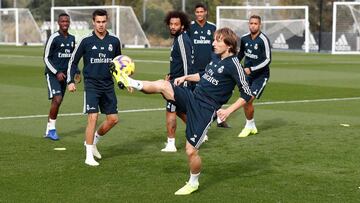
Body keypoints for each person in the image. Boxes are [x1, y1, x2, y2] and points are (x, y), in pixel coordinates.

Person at [113, 27, 252, 195]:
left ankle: (193, 183)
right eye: (214, 39)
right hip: (193, 97)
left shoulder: (234, 65)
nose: (213, 42)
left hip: (205, 110)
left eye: (218, 40)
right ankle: (130, 81)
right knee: (164, 85)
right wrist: (186, 77)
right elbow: (205, 76)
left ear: (229, 45)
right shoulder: (215, 58)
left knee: (191, 150)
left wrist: (228, 111)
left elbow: (246, 93)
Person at [67, 9, 122, 166]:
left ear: (107, 21)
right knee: (93, 117)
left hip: (108, 85)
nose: (101, 25)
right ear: (93, 22)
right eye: (98, 22)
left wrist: (124, 81)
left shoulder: (114, 41)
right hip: (91, 85)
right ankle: (88, 155)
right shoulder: (85, 41)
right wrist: (70, 81)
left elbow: (118, 64)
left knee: (113, 119)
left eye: (103, 21)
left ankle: (93, 141)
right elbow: (73, 61)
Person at [188, 2, 230, 128]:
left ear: (206, 12)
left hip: (210, 66)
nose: (199, 14)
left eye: (201, 12)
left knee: (215, 91)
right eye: (197, 12)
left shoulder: (212, 27)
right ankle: (197, 118)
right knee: (195, 93)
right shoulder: (190, 27)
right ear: (195, 13)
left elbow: (217, 44)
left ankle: (220, 119)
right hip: (194, 66)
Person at [161, 11, 194, 152]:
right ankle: (197, 130)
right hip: (175, 80)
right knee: (178, 110)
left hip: (179, 84)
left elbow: (187, 64)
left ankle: (171, 144)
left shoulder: (181, 40)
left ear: (182, 26)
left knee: (170, 111)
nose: (173, 27)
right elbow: (179, 62)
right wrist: (171, 75)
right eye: (171, 24)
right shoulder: (179, 39)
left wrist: (185, 82)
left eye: (176, 24)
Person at [44, 13, 80, 140]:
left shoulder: (72, 38)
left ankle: (48, 129)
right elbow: (46, 58)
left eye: (67, 21)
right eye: (63, 21)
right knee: (57, 99)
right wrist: (56, 72)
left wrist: (77, 71)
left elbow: (72, 59)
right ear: (58, 23)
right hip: (53, 75)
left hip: (65, 76)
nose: (65, 23)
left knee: (57, 102)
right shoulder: (53, 37)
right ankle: (52, 130)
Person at [237, 15, 271, 138]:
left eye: (255, 24)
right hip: (247, 76)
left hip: (261, 76)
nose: (253, 25)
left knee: (249, 99)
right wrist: (234, 64)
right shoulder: (244, 38)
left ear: (259, 25)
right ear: (248, 24)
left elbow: (268, 60)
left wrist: (251, 69)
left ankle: (248, 126)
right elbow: (240, 54)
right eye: (251, 23)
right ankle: (251, 126)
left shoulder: (264, 40)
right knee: (246, 100)